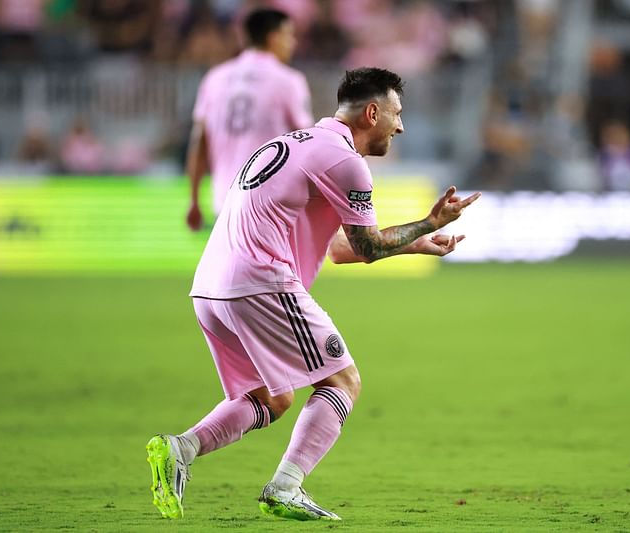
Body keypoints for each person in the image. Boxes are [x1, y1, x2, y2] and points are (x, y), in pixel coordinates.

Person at [146, 67, 480, 522]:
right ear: (372, 112)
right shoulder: (346, 161)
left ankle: (179, 449)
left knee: (273, 397)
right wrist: (429, 223)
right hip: (260, 281)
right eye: (397, 115)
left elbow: (340, 251)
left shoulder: (293, 144)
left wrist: (414, 243)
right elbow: (369, 245)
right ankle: (285, 487)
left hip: (211, 288)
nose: (401, 126)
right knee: (342, 382)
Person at [185, 8, 313, 231]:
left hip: (225, 203)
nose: (292, 43)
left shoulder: (214, 78)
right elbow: (307, 144)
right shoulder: (289, 81)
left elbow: (199, 142)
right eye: (289, 35)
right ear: (274, 37)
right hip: (271, 205)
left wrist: (194, 201)